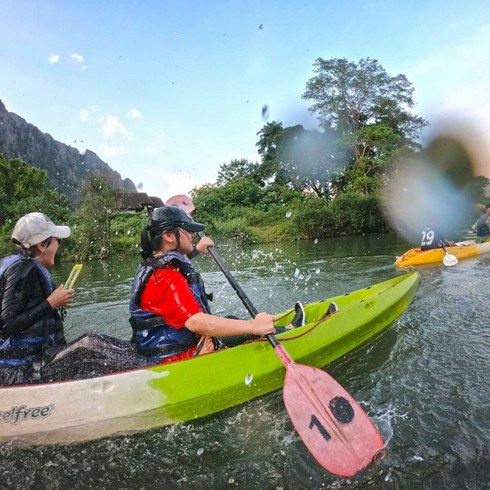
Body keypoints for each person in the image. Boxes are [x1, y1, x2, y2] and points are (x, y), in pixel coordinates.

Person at [129, 206, 278, 364]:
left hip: (164, 349)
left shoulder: (153, 265)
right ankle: (288, 332)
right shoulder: (165, 276)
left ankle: (283, 329)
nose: (192, 234)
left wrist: (196, 250)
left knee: (231, 321)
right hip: (175, 359)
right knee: (249, 332)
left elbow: (177, 265)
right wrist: (254, 326)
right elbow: (196, 322)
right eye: (187, 230)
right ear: (168, 235)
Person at [0, 212, 74, 385]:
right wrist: (51, 302)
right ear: (42, 244)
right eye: (58, 240)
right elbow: (7, 325)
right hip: (17, 370)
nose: (59, 245)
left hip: (24, 363)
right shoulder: (24, 270)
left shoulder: (19, 266)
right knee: (89, 346)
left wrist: (56, 301)